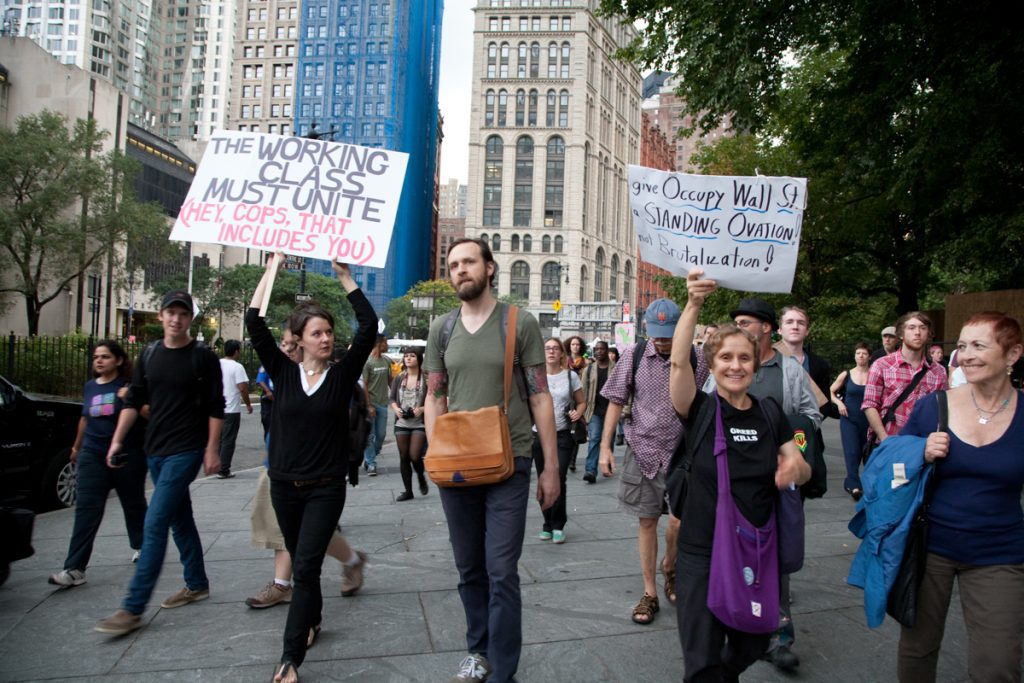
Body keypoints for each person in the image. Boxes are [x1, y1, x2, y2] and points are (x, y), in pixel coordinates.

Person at [424, 237, 559, 683]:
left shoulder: (519, 324)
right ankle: (477, 650)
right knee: (469, 568)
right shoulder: (442, 328)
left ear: (490, 268)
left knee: (502, 571)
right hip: (457, 466)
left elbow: (540, 396)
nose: (460, 270)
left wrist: (551, 469)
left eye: (468, 262)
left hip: (510, 460)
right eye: (453, 264)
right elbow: (434, 395)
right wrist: (435, 449)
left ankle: (502, 670)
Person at [670, 269, 810, 683]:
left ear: (755, 362)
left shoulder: (769, 412)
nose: (735, 366)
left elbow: (798, 462)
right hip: (701, 550)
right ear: (712, 365)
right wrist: (693, 304)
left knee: (756, 636)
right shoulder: (700, 410)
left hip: (755, 549)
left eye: (744, 358)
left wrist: (794, 468)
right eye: (726, 358)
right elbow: (679, 362)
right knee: (702, 655)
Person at [246, 258, 377, 683]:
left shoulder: (341, 377)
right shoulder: (283, 373)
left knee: (304, 568)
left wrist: (345, 278)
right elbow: (253, 318)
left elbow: (368, 326)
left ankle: (289, 659)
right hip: (285, 486)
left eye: (328, 331)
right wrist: (273, 267)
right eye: (316, 333)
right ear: (298, 340)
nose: (325, 338)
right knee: (305, 563)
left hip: (325, 488)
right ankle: (314, 618)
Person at [897, 312, 1024, 682]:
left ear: (1013, 354)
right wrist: (917, 453)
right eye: (963, 346)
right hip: (930, 546)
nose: (966, 355)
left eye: (979, 346)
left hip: (1001, 553)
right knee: (917, 651)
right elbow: (889, 470)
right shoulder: (934, 406)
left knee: (997, 665)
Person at [95, 289, 224, 636]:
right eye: (171, 312)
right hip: (155, 450)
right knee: (179, 519)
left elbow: (216, 406)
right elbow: (134, 401)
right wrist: (118, 440)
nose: (176, 319)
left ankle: (132, 608)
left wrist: (212, 449)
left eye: (182, 313)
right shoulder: (150, 354)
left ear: (189, 319)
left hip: (187, 450)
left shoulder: (202, 357)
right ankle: (196, 583)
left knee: (154, 523)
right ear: (161, 316)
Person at [707, 297, 822, 670]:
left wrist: (793, 455)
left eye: (746, 322)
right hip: (731, 486)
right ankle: (730, 620)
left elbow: (810, 415)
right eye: (736, 321)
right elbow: (707, 409)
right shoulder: (726, 364)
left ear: (765, 329)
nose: (739, 327)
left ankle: (778, 635)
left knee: (778, 559)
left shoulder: (789, 369)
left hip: (777, 484)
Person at [599, 299, 709, 625]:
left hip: (683, 454)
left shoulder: (696, 359)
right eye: (657, 334)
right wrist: (605, 446)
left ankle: (670, 567)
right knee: (647, 521)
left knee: (679, 521)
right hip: (641, 448)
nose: (662, 341)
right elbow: (616, 401)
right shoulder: (633, 356)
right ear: (647, 328)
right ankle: (649, 593)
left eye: (669, 334)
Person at [246, 330, 368, 612]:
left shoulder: (330, 380)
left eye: (291, 345)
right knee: (296, 532)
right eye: (284, 344)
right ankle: (350, 562)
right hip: (278, 466)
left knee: (299, 537)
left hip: (318, 475)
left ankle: (284, 587)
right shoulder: (286, 375)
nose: (286, 349)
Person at [49, 340, 147, 588]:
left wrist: (132, 398)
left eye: (105, 356)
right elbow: (85, 418)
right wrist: (76, 447)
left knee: (133, 503)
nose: (99, 361)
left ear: (119, 360)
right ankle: (74, 568)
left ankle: (142, 545)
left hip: (125, 456)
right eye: (96, 357)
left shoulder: (129, 386)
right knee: (87, 509)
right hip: (92, 455)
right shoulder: (90, 387)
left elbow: (149, 413)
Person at [862, 311, 948, 445]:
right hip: (889, 442)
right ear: (901, 334)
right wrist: (884, 438)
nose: (918, 332)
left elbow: (943, 411)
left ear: (929, 334)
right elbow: (869, 405)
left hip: (923, 446)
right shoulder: (881, 365)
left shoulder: (939, 371)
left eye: (923, 328)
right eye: (912, 327)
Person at [532, 337, 585, 543]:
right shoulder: (535, 378)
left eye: (556, 348)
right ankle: (547, 522)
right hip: (538, 435)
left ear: (562, 353)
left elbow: (582, 402)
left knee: (559, 478)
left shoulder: (571, 377)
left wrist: (577, 413)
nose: (552, 352)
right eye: (547, 348)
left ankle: (558, 525)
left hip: (563, 435)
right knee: (543, 478)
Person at [830, 342, 872, 500]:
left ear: (869, 356)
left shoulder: (874, 374)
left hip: (868, 419)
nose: (861, 356)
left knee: (867, 452)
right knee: (852, 451)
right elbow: (831, 391)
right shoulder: (846, 374)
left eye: (864, 353)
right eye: (858, 353)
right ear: (855, 356)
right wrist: (840, 403)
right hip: (849, 418)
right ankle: (854, 485)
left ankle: (867, 482)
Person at [389, 347, 429, 501]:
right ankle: (408, 491)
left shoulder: (426, 378)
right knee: (404, 456)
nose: (408, 359)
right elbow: (392, 398)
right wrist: (396, 409)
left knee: (415, 455)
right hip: (402, 422)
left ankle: (420, 475)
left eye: (412, 356)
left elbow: (437, 398)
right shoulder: (399, 377)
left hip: (420, 423)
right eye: (406, 356)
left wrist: (422, 409)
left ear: (419, 358)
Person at [775, 306, 832, 401]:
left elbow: (825, 404)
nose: (795, 327)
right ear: (779, 330)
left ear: (807, 331)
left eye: (801, 323)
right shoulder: (764, 359)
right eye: (789, 322)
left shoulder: (820, 365)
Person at [580, 340, 614, 483]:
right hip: (594, 410)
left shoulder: (616, 368)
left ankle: (607, 463)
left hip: (611, 409)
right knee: (594, 438)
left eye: (602, 349)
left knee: (609, 438)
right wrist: (582, 411)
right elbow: (583, 391)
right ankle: (590, 470)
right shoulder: (588, 370)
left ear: (607, 351)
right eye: (597, 349)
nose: (599, 351)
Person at [218, 339, 252, 479]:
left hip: (217, 408)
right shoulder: (237, 367)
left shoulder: (217, 364)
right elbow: (243, 388)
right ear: (236, 351)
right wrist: (248, 404)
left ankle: (218, 465)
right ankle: (224, 469)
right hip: (231, 409)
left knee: (219, 439)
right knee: (228, 440)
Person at [362, 335, 392, 476]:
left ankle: (370, 456)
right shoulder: (367, 362)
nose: (387, 344)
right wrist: (368, 405)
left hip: (383, 403)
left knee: (381, 435)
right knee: (369, 435)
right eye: (385, 342)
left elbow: (390, 381)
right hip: (371, 404)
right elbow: (364, 385)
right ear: (379, 343)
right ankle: (371, 463)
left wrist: (396, 399)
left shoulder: (386, 360)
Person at [608, 346, 626, 446]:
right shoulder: (604, 365)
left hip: (618, 394)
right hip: (608, 395)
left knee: (620, 417)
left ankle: (621, 434)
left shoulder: (620, 365)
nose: (611, 355)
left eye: (613, 353)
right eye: (610, 353)